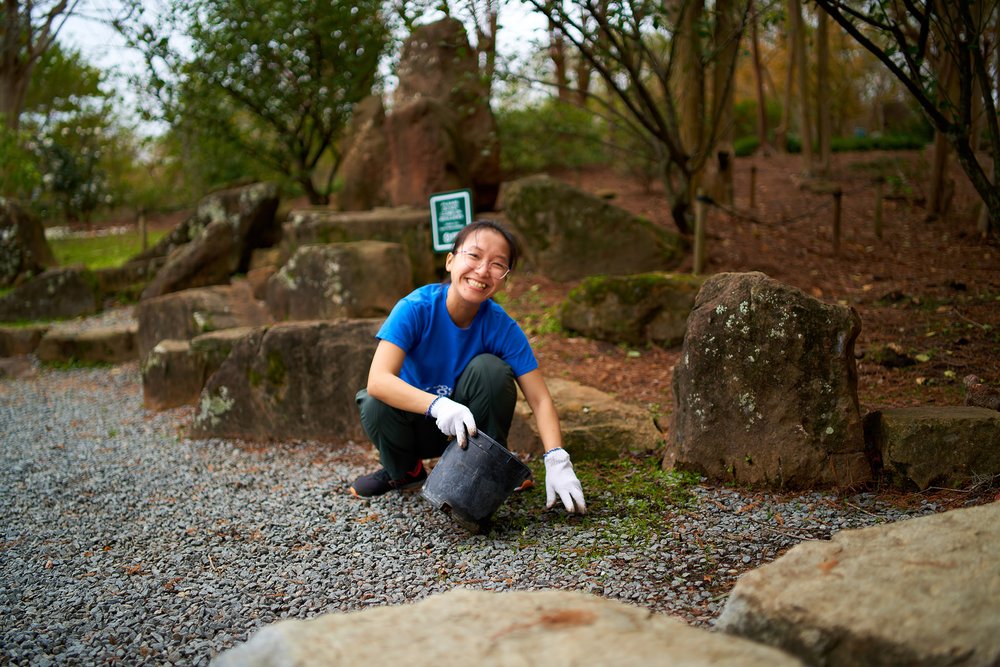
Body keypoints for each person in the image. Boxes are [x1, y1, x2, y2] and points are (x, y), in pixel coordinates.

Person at [350, 219, 586, 514]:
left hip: (469, 431)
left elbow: (540, 399)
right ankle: (406, 471)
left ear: (504, 278)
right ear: (450, 261)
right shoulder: (415, 308)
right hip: (417, 423)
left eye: (497, 264)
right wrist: (440, 406)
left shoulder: (501, 325)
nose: (483, 270)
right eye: (473, 256)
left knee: (492, 369)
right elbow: (378, 380)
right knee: (373, 402)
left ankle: (490, 466)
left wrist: (556, 458)